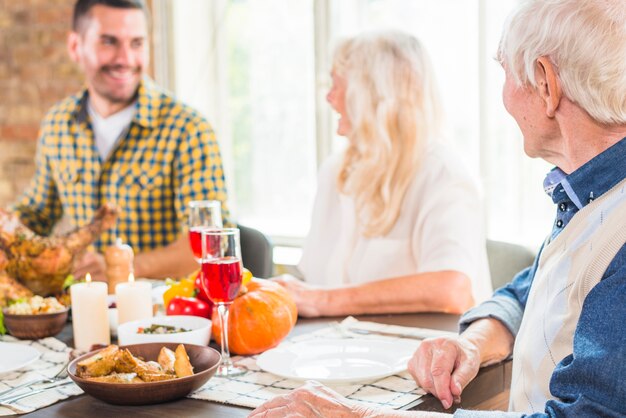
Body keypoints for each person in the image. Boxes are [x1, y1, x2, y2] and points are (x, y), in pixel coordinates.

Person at [250, 0, 626, 416]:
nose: (503, 97)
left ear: (546, 85)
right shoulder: (586, 196)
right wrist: (474, 342)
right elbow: (530, 291)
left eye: (505, 75)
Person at [273, 31, 492, 318]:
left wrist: (321, 300)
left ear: (371, 96)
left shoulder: (442, 174)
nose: (329, 97)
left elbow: (452, 290)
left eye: (338, 85)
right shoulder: (335, 171)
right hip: (341, 352)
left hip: (419, 356)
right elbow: (311, 279)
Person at [12, 0, 229, 282]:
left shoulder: (188, 129)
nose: (125, 58)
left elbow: (211, 245)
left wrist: (123, 266)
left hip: (166, 314)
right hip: (82, 310)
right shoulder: (57, 124)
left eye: (137, 43)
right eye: (109, 42)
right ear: (76, 46)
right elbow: (36, 214)